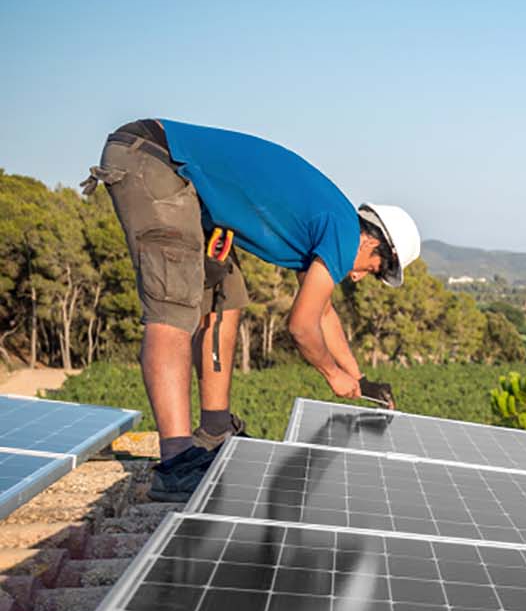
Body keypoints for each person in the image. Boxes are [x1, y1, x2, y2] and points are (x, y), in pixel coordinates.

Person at [83, 119, 417, 501]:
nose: (359, 278)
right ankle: (176, 464)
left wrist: (358, 378)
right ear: (374, 242)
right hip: (157, 161)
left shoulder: (332, 221)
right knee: (172, 309)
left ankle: (215, 431)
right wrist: (331, 375)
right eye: (374, 270)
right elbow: (302, 326)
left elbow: (323, 312)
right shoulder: (343, 232)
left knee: (228, 297)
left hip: (182, 183)